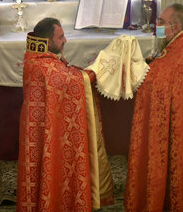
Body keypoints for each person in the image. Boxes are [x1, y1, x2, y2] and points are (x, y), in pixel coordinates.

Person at [17, 17, 114, 212]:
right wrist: (99, 68)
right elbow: (73, 81)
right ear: (48, 40)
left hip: (46, 129)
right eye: (61, 37)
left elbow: (68, 75)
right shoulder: (43, 65)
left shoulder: (38, 56)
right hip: (44, 131)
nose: (65, 41)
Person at [124, 3, 183, 211]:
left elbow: (160, 85)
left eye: (161, 22)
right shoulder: (176, 46)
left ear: (174, 25)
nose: (158, 25)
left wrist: (140, 73)